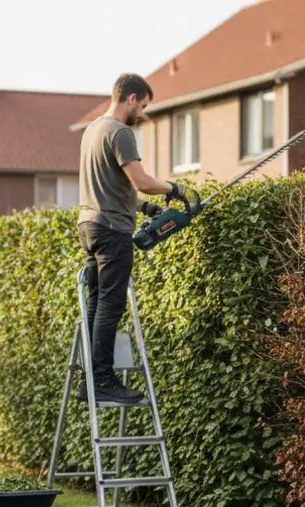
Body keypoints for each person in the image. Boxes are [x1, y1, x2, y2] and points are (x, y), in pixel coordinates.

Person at [76, 73, 194, 405]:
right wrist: (175, 189)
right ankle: (102, 381)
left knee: (96, 302)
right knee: (110, 307)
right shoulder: (120, 132)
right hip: (112, 230)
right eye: (142, 105)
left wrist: (145, 207)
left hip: (89, 226)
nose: (142, 113)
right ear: (131, 98)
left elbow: (112, 184)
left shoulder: (92, 131)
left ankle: (89, 381)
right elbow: (140, 179)